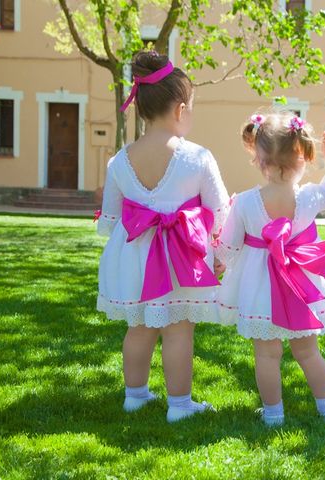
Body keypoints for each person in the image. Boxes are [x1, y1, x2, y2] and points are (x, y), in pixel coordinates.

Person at [95, 51, 229, 423]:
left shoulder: (119, 160)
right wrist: (219, 252)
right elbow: (220, 212)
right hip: (181, 257)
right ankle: (180, 405)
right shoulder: (198, 157)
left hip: (135, 256)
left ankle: (134, 396)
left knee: (138, 327)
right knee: (178, 330)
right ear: (181, 109)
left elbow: (110, 217)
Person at [215, 112, 325, 425]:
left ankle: (273, 415)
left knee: (266, 354)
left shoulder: (245, 203)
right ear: (300, 155)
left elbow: (228, 246)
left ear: (259, 159)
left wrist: (217, 261)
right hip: (302, 285)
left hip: (260, 286)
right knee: (308, 352)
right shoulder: (310, 195)